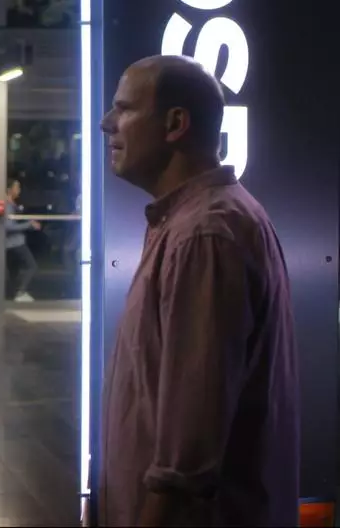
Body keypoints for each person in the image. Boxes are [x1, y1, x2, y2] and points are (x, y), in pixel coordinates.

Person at [96, 54, 298, 526]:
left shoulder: (204, 236)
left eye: (124, 109)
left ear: (175, 124)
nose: (107, 123)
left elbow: (186, 463)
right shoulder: (194, 223)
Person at [5, 178, 41, 302]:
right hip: (15, 243)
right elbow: (8, 226)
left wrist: (28, 223)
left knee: (14, 270)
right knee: (32, 266)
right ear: (9, 190)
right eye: (17, 187)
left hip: (13, 243)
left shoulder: (13, 204)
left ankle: (13, 294)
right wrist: (29, 224)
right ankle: (20, 292)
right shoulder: (7, 206)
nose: (19, 190)